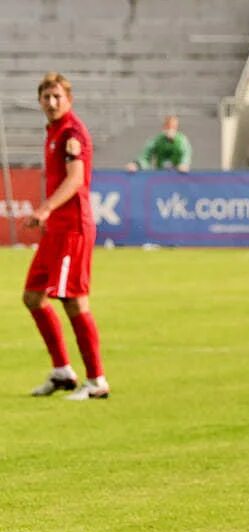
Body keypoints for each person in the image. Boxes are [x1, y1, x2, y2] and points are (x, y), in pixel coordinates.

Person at [23, 72, 109, 400]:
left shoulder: (72, 133)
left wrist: (45, 208)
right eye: (46, 96)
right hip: (56, 230)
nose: (52, 102)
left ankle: (97, 380)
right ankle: (62, 371)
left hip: (73, 227)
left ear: (69, 100)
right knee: (33, 297)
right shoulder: (53, 131)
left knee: (73, 300)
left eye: (58, 96)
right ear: (40, 101)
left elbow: (75, 180)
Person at [125, 115, 192, 172]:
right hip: (160, 175)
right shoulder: (157, 140)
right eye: (168, 127)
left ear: (177, 128)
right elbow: (146, 155)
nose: (170, 130)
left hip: (177, 176)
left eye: (173, 127)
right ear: (164, 127)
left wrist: (184, 164)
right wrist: (137, 165)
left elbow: (186, 154)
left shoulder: (182, 140)